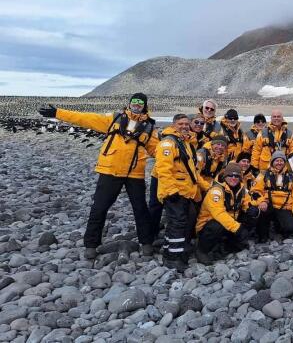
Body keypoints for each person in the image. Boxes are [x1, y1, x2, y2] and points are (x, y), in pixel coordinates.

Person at [38, 93, 159, 259]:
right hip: (110, 170)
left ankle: (147, 243)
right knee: (99, 208)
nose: (136, 105)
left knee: (140, 209)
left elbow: (158, 150)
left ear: (144, 106)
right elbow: (85, 118)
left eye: (140, 103)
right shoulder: (114, 118)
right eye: (134, 101)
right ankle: (91, 245)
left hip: (134, 173)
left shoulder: (149, 127)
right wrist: (58, 113)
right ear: (129, 103)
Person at [155, 114, 203, 271]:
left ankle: (171, 249)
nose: (184, 126)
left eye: (186, 124)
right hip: (174, 192)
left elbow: (191, 171)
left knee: (181, 221)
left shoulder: (185, 142)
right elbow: (163, 169)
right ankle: (173, 258)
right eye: (180, 123)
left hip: (185, 191)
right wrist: (171, 190)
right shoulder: (168, 143)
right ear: (174, 124)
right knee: (178, 223)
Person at [195, 163, 252, 264]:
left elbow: (248, 202)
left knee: (252, 214)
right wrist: (237, 228)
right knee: (217, 225)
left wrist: (254, 208)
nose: (233, 178)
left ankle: (225, 245)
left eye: (236, 176)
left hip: (229, 223)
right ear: (225, 176)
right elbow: (219, 214)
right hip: (209, 225)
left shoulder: (241, 190)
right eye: (230, 175)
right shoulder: (216, 191)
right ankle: (202, 250)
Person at [250, 151, 293, 242]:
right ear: (272, 162)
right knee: (259, 211)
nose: (279, 163)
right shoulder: (263, 175)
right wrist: (262, 201)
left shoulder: (292, 176)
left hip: (284, 207)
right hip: (268, 205)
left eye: (281, 160)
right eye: (277, 160)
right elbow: (255, 191)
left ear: (285, 162)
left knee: (291, 227)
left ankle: (280, 227)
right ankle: (262, 235)